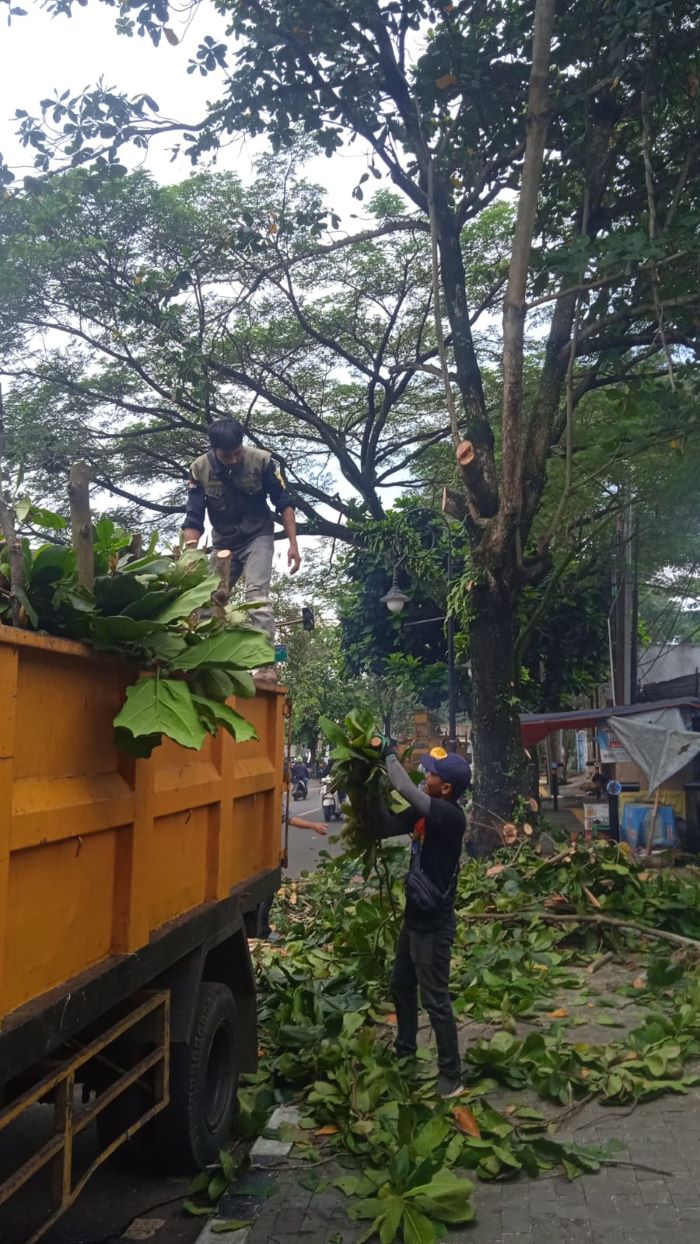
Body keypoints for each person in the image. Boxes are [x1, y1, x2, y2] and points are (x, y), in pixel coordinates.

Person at [371, 740, 472, 1099]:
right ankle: (406, 1053)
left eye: (430, 773)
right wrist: (366, 786)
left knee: (436, 1000)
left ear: (445, 787)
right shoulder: (425, 814)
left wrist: (385, 754)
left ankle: (451, 1075)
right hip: (413, 918)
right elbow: (384, 826)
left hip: (434, 927)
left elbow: (404, 787)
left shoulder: (450, 816)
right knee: (401, 984)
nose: (424, 775)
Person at [182, 418, 301, 678]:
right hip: (224, 542)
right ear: (214, 449)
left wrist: (293, 544)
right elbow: (193, 518)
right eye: (228, 455)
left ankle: (266, 664)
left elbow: (284, 503)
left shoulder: (262, 461)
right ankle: (207, 661)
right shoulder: (198, 469)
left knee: (256, 595)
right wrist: (188, 558)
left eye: (238, 452)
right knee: (207, 600)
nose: (235, 459)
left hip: (258, 535)